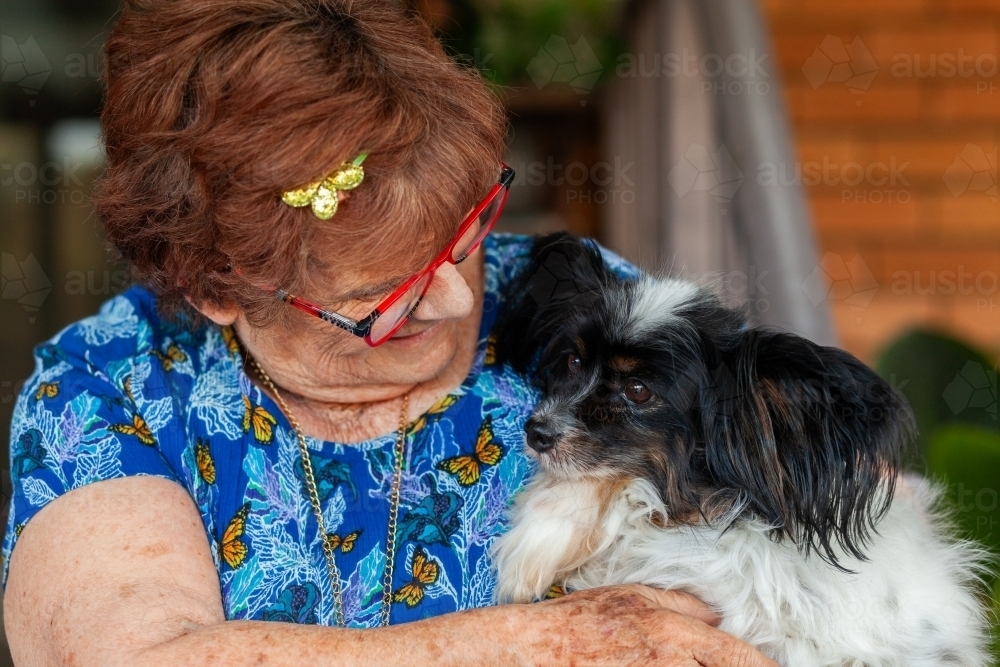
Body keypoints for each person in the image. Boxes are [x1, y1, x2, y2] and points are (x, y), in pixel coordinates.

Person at [2, 1, 779, 665]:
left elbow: (810, 492)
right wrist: (540, 642)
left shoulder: (579, 306)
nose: (450, 298)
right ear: (217, 289)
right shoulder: (112, 387)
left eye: (465, 234)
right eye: (385, 294)